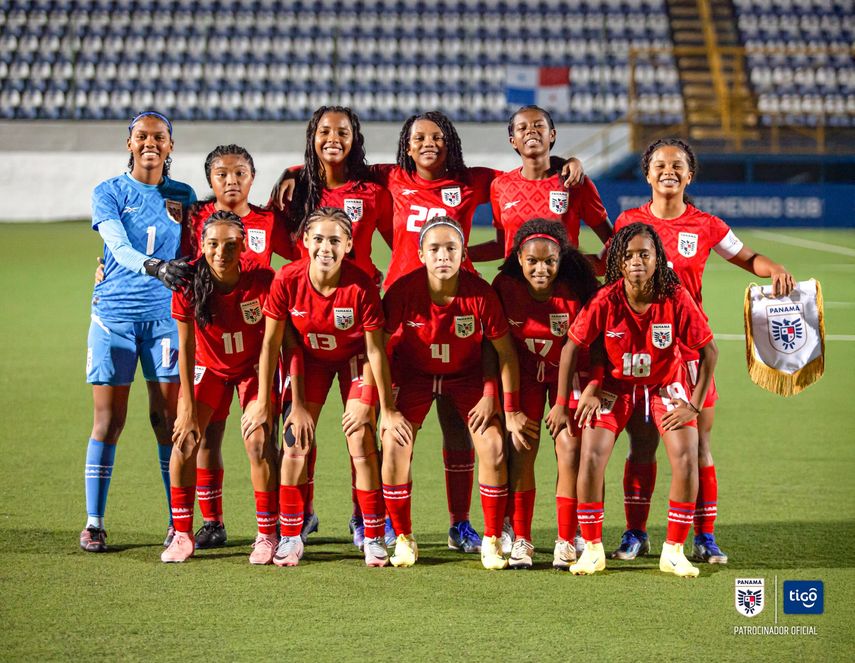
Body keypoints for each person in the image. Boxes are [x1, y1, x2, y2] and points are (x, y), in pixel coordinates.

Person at [612, 138, 795, 565]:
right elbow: (607, 269)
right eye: (660, 164)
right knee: (641, 445)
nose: (668, 171)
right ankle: (636, 533)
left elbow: (748, 258)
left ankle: (704, 537)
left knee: (698, 446)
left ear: (689, 175)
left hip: (690, 353)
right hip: (640, 352)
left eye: (678, 165)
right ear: (647, 173)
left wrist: (776, 269)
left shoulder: (706, 225)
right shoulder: (628, 222)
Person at [242, 207, 412, 567]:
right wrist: (267, 402)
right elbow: (271, 345)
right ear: (305, 241)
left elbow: (375, 350)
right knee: (294, 442)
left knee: (360, 438)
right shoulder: (287, 279)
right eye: (317, 238)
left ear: (348, 244)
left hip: (354, 362)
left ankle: (372, 534)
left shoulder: (360, 284)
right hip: (308, 362)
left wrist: (384, 408)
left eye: (335, 240)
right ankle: (289, 537)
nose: (325, 247)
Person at [381, 215, 538, 570]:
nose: (442, 256)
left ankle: (493, 539)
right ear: (420, 253)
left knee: (495, 448)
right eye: (434, 249)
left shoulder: (480, 293)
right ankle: (403, 538)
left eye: (451, 248)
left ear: (463, 252)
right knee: (392, 445)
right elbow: (380, 348)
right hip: (415, 376)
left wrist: (498, 401)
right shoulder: (403, 291)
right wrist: (386, 405)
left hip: (466, 378)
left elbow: (505, 352)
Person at [563, 222, 718, 578]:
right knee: (591, 454)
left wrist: (693, 404)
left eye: (644, 254)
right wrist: (565, 400)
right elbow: (573, 346)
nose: (636, 261)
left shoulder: (674, 295)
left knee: (685, 455)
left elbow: (709, 351)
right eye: (629, 255)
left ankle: (675, 551)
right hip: (615, 387)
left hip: (665, 384)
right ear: (617, 262)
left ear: (657, 259)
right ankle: (592, 549)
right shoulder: (607, 298)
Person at [272, 106, 395, 547]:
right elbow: (263, 235)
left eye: (342, 131)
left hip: (358, 328)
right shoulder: (294, 188)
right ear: (312, 135)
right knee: (299, 428)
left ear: (354, 137)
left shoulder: (372, 190)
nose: (333, 139)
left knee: (359, 430)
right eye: (324, 131)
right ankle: (300, 517)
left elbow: (400, 247)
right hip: (305, 327)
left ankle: (364, 519)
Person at [81, 111, 196, 552]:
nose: (151, 143)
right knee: (108, 421)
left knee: (168, 422)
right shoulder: (108, 192)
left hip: (166, 321)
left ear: (170, 146)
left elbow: (198, 250)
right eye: (142, 136)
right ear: (128, 143)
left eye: (160, 137)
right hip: (114, 318)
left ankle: (177, 523)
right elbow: (116, 243)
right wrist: (153, 267)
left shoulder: (183, 195)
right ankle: (94, 522)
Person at [180, 144, 290, 552]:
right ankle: (211, 521)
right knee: (207, 436)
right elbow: (178, 265)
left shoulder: (267, 220)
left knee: (264, 438)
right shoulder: (195, 219)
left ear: (253, 177)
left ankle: (278, 523)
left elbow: (300, 260)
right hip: (210, 341)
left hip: (255, 342)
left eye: (239, 173)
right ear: (210, 180)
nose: (231, 181)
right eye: (222, 174)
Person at [162, 211, 279, 564]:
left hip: (252, 368)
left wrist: (263, 400)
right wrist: (184, 407)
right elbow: (185, 346)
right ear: (202, 244)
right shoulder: (188, 283)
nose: (221, 252)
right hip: (208, 368)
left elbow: (273, 341)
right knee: (184, 439)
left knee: (258, 440)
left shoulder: (263, 279)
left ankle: (267, 534)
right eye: (212, 244)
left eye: (230, 245)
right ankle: (182, 534)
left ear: (244, 246)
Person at [492, 219, 600, 569]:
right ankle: (522, 538)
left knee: (569, 450)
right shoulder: (504, 287)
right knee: (522, 449)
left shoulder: (579, 289)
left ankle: (566, 539)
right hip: (525, 377)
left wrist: (567, 402)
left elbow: (593, 347)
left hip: (569, 377)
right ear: (519, 258)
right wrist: (509, 407)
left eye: (550, 261)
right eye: (533, 261)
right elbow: (497, 349)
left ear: (561, 258)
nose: (541, 269)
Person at [469, 105, 613, 263]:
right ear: (513, 141)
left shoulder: (574, 182)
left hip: (563, 287)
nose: (530, 130)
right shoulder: (500, 186)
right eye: (522, 127)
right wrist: (457, 254)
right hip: (514, 285)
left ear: (552, 135)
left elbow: (613, 240)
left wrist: (581, 268)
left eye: (538, 125)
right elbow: (502, 245)